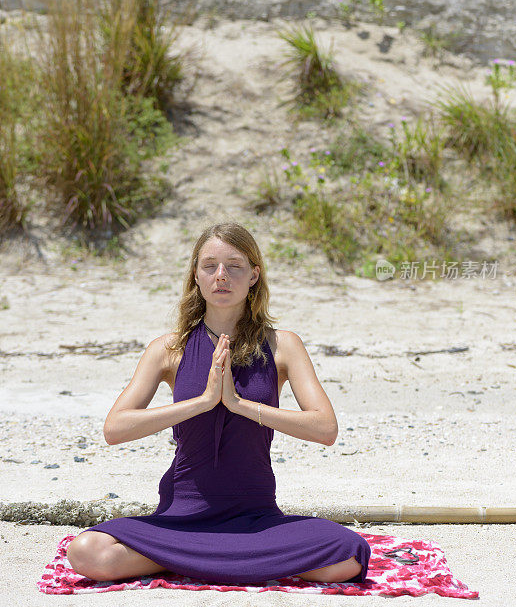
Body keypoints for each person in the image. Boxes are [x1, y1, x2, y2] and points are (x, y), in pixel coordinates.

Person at [67, 222, 371, 585]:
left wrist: (239, 403)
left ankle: (186, 562)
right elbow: (115, 429)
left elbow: (325, 429)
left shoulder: (283, 345)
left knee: (349, 555)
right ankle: (222, 561)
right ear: (196, 274)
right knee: (87, 550)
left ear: (254, 274)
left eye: (235, 265)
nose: (221, 276)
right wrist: (204, 401)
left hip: (255, 517)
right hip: (182, 518)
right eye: (209, 265)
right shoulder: (168, 349)